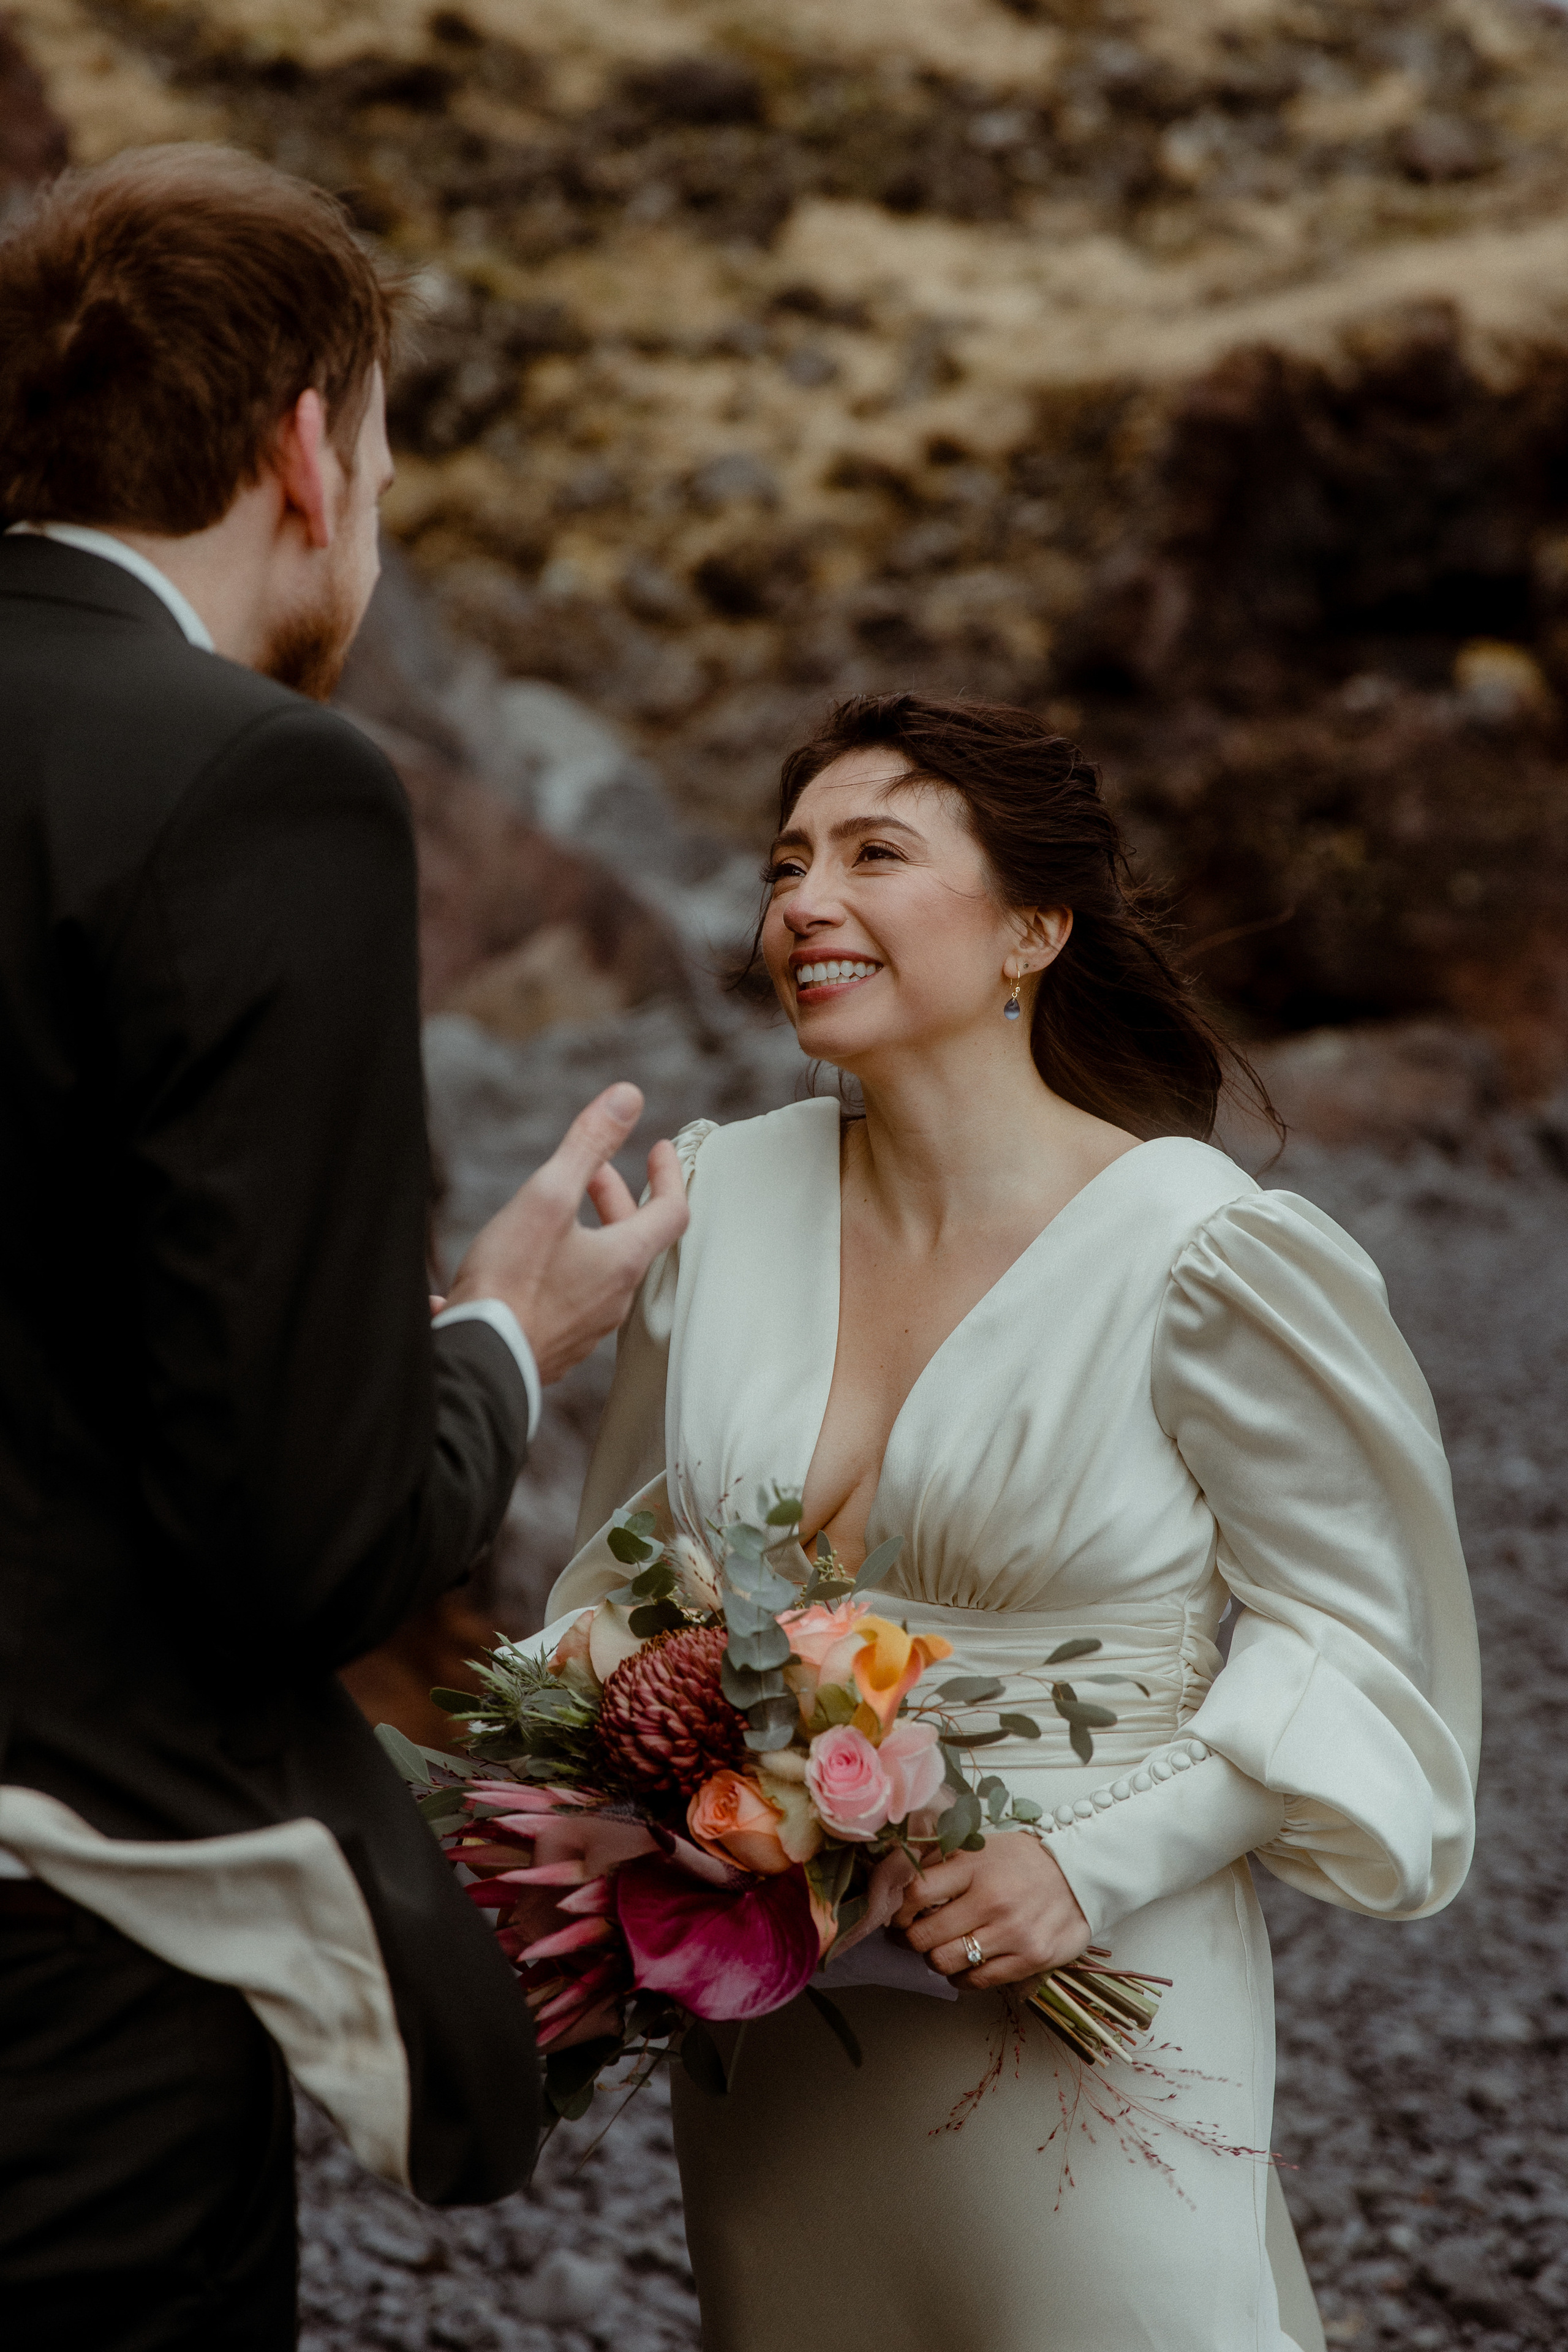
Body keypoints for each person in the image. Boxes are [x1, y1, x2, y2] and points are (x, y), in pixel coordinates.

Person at [545, 693, 1482, 2351]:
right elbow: (628, 1590)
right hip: (781, 2016)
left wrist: (1085, 1863)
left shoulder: (1199, 1247)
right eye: (785, 863)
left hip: (1087, 1993)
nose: (803, 901)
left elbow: (1359, 1638)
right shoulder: (718, 1201)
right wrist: (584, 1817)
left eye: (873, 854)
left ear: (1031, 932)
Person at [0, 145, 687, 2348]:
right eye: (380, 456)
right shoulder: (253, 783)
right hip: (65, 1983)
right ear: (309, 450)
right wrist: (505, 1333)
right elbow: (301, 1539)